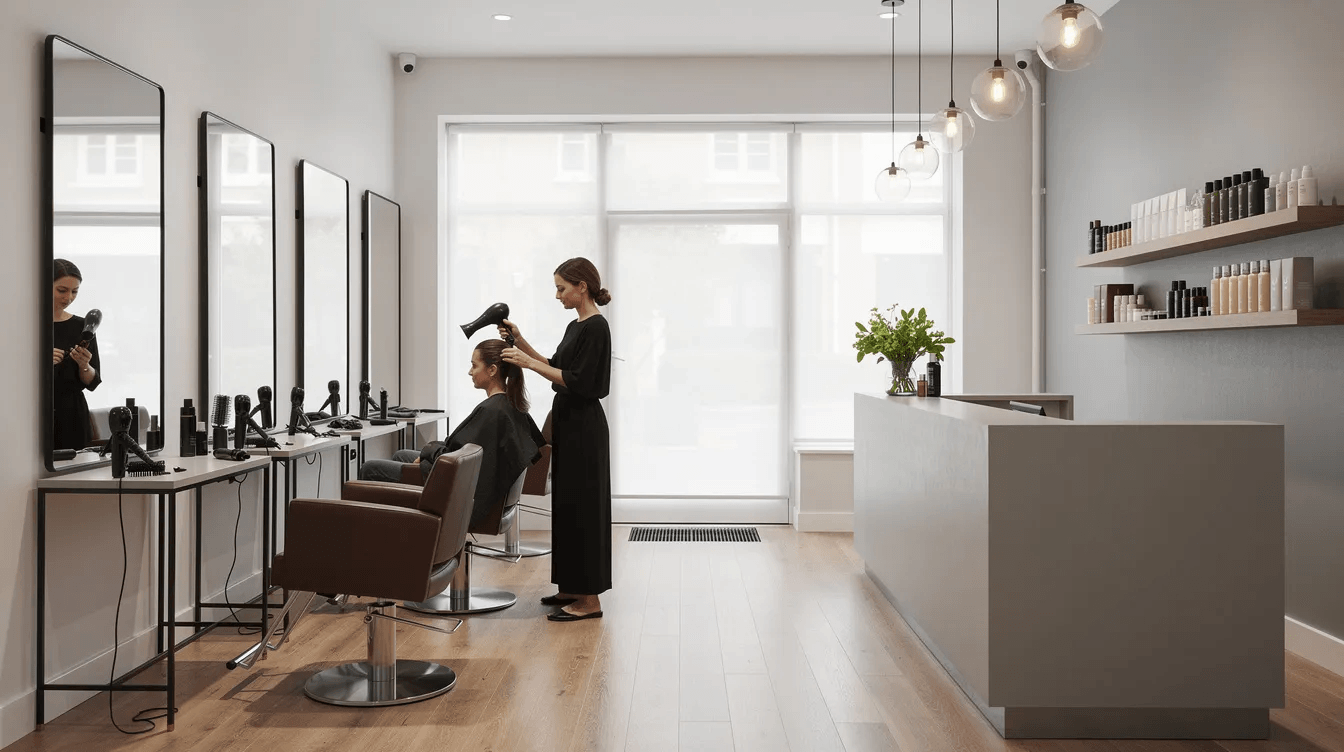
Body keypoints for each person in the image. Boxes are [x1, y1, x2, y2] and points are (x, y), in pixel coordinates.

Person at [500, 257, 612, 622]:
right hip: (569, 424)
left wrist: (528, 363)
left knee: (584, 510)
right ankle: (571, 587)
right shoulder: (575, 326)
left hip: (585, 429)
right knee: (568, 508)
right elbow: (555, 365)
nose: (558, 295)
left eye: (562, 288)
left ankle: (589, 601)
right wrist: (521, 343)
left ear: (582, 286)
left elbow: (579, 381)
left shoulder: (597, 327)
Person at [359, 339, 545, 529]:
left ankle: (382, 537)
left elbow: (456, 456)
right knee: (401, 455)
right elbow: (460, 448)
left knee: (370, 468)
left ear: (492, 370)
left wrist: (429, 450)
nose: (470, 372)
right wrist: (431, 451)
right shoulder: (509, 406)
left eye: (474, 366)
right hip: (471, 486)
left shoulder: (491, 411)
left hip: (459, 494)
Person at [51, 259, 102, 451]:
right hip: (35, 413)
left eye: (75, 291)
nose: (69, 298)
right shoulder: (26, 324)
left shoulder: (83, 327)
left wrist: (84, 366)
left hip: (73, 418)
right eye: (62, 290)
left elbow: (92, 382)